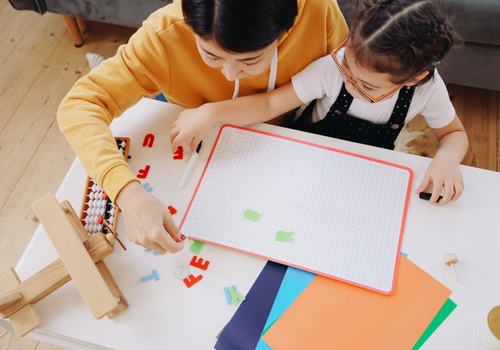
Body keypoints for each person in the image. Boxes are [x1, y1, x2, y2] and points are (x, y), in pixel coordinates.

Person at [57, 0, 349, 254]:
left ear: (283, 31)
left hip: (274, 140)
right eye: (211, 56)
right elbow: (78, 105)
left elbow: (342, 77)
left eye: (251, 60)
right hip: (186, 135)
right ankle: (110, 66)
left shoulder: (319, 12)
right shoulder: (164, 34)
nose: (230, 73)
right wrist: (127, 194)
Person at [170, 0, 469, 206]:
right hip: (305, 154)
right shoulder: (332, 68)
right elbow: (270, 105)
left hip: (364, 170)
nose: (348, 82)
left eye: (364, 85)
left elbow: (453, 135)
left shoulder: (428, 91)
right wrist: (212, 112)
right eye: (347, 69)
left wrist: (445, 161)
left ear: (413, 79)